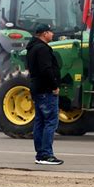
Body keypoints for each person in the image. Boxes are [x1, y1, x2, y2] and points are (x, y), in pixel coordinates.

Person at [26, 24, 63, 165]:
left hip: (37, 88)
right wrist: (54, 85)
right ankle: (46, 154)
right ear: (44, 33)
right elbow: (46, 69)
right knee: (50, 121)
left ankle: (40, 154)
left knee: (40, 121)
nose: (52, 34)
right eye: (50, 32)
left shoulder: (31, 48)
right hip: (46, 90)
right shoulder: (43, 49)